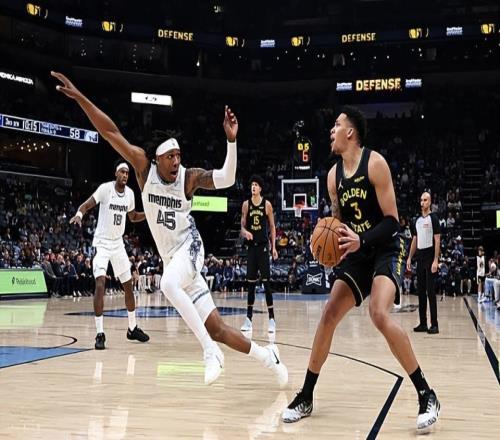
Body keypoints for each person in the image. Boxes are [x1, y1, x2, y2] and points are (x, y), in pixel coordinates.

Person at [52, 71, 287, 387]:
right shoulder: (143, 169)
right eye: (170, 157)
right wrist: (81, 97)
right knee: (218, 328)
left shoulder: (188, 178)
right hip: (174, 260)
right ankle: (268, 357)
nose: (177, 161)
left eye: (179, 156)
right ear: (158, 158)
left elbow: (228, 178)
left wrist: (231, 141)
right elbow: (109, 132)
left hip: (190, 248)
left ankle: (210, 352)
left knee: (166, 284)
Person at [281, 106, 440, 433]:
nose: (331, 130)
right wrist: (327, 243)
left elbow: (393, 221)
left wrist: (361, 239)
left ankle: (426, 393)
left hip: (386, 246)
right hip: (357, 251)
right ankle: (306, 395)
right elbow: (338, 222)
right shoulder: (332, 177)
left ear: (350, 132)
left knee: (378, 313)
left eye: (336, 125)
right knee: (328, 314)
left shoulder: (375, 164)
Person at [69, 158, 149, 349]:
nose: (125, 175)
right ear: (116, 174)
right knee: (100, 283)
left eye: (127, 173)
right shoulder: (105, 189)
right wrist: (79, 215)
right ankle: (100, 333)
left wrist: (148, 215)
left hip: (118, 244)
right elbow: (86, 205)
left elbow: (133, 216)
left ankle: (132, 328)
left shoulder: (130, 194)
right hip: (103, 243)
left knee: (128, 286)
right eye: (122, 172)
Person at [240, 175, 278, 333]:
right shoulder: (246, 205)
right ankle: (248, 319)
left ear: (260, 188)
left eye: (256, 184)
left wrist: (274, 247)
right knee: (251, 284)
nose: (253, 187)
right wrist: (245, 232)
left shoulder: (266, 205)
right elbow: (242, 227)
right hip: (251, 248)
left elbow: (272, 227)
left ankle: (272, 319)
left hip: (263, 247)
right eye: (252, 184)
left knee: (266, 283)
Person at [407, 192, 441, 334]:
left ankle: (434, 324)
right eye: (421, 200)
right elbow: (415, 240)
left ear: (430, 202)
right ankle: (423, 323)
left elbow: (437, 240)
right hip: (420, 257)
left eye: (425, 200)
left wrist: (436, 260)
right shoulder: (417, 220)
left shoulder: (434, 218)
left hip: (430, 256)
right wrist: (409, 257)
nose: (422, 202)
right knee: (420, 291)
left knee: (430, 292)